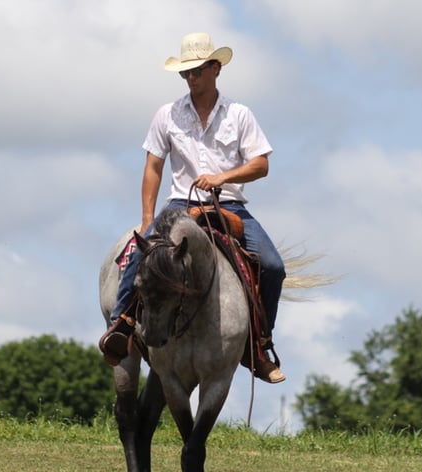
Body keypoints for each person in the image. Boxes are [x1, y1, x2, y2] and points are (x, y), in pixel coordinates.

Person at [99, 32, 286, 383]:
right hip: (180, 205)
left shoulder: (240, 114)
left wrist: (221, 178)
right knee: (141, 254)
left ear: (215, 68)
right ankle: (121, 325)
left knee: (273, 267)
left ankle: (258, 346)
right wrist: (146, 219)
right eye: (185, 72)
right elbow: (153, 166)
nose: (190, 78)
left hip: (230, 205)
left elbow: (260, 164)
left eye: (197, 70)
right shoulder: (167, 114)